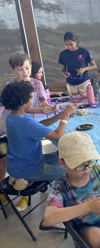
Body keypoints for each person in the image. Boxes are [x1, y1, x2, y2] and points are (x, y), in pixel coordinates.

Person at [1, 81, 75, 211]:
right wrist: (66, 115)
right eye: (30, 97)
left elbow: (38, 125)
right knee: (72, 174)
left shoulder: (12, 117)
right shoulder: (26, 122)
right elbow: (58, 135)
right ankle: (60, 210)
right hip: (30, 169)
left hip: (19, 165)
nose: (32, 99)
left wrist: (58, 116)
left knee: (61, 157)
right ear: (24, 102)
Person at [0, 52, 55, 207]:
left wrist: (47, 108)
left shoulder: (36, 83)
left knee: (32, 150)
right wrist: (39, 111)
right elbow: (16, 108)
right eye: (20, 69)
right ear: (13, 70)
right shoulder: (11, 85)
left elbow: (43, 101)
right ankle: (4, 191)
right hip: (8, 126)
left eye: (26, 68)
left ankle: (26, 191)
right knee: (4, 158)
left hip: (25, 124)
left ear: (31, 67)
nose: (24, 72)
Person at [58, 31, 97, 97]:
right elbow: (63, 69)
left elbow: (94, 66)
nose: (69, 47)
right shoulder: (63, 54)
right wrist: (64, 73)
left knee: (86, 100)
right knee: (74, 102)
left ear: (76, 42)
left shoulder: (84, 51)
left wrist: (84, 69)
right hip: (71, 83)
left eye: (71, 44)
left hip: (84, 82)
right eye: (67, 45)